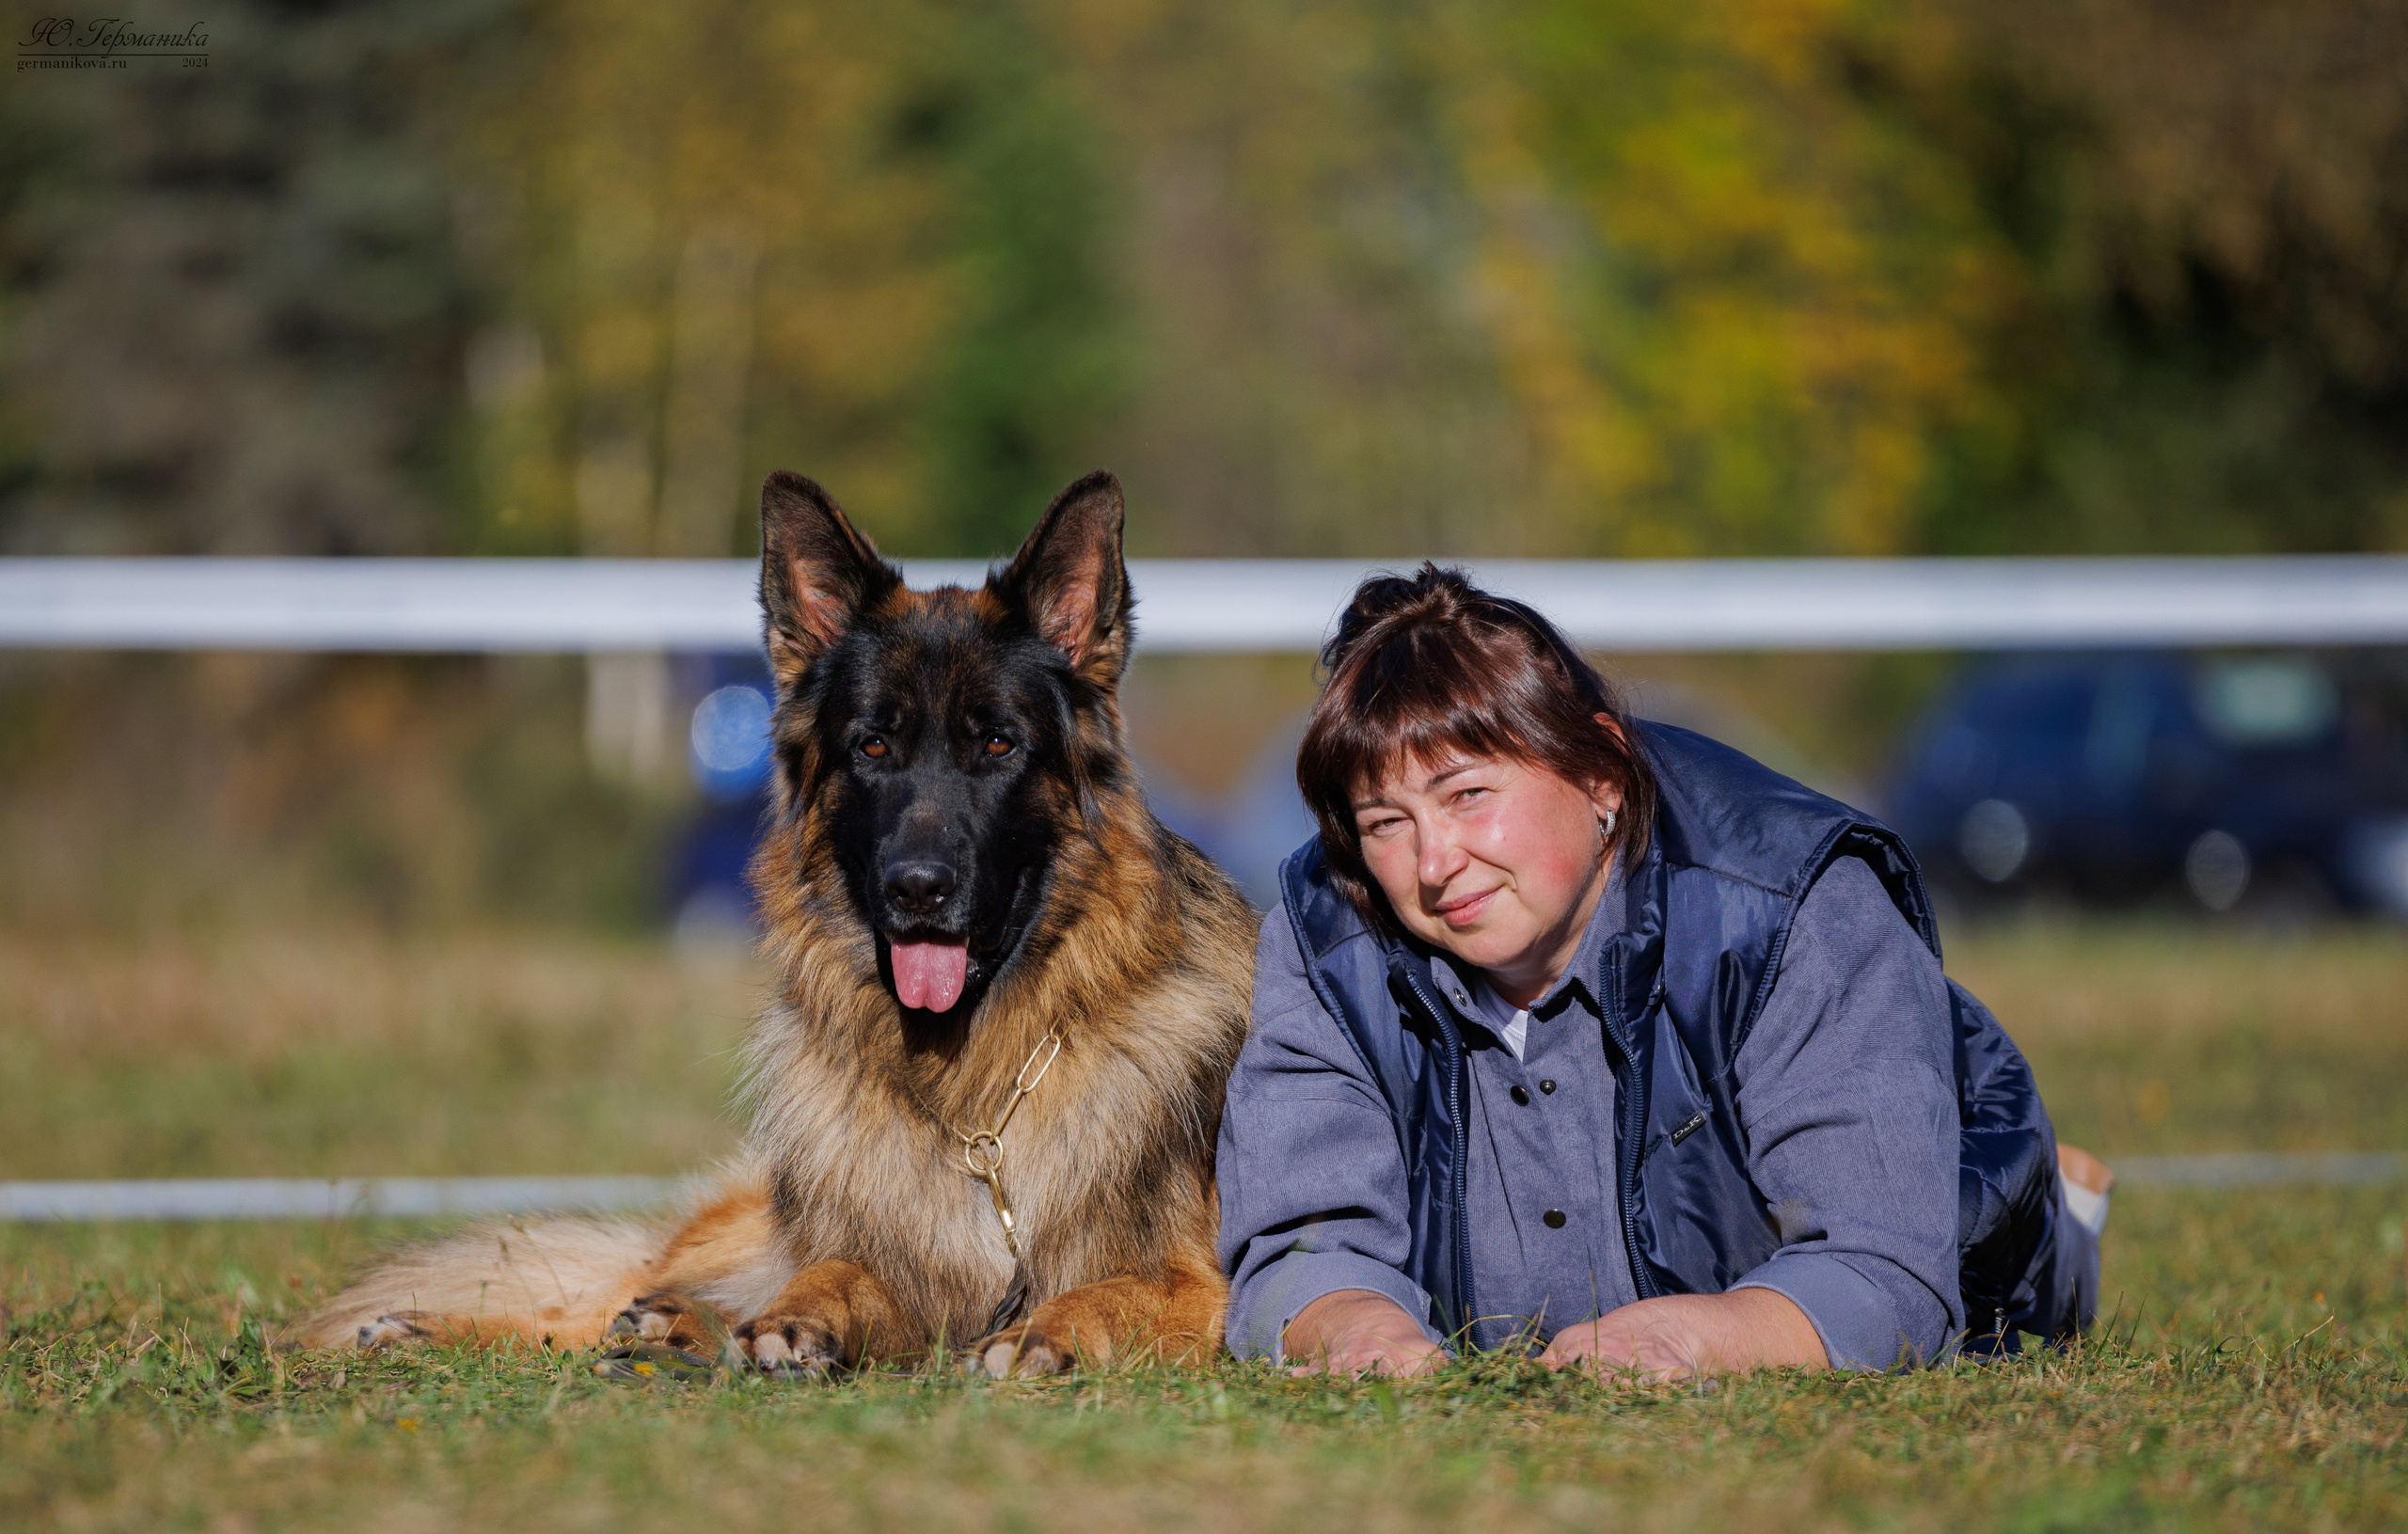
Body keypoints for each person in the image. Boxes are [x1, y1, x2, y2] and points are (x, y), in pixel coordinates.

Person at [1216, 566, 2113, 1379]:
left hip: (1950, 1181)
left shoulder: (1799, 899)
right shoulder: (1324, 932)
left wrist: (1692, 1337)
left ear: (1602, 772)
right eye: (1385, 822)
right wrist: (1355, 1327)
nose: (1434, 861)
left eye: (1468, 795)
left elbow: (1886, 1272)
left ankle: (2059, 1203)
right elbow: (1297, 1251)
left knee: (2002, 1279)